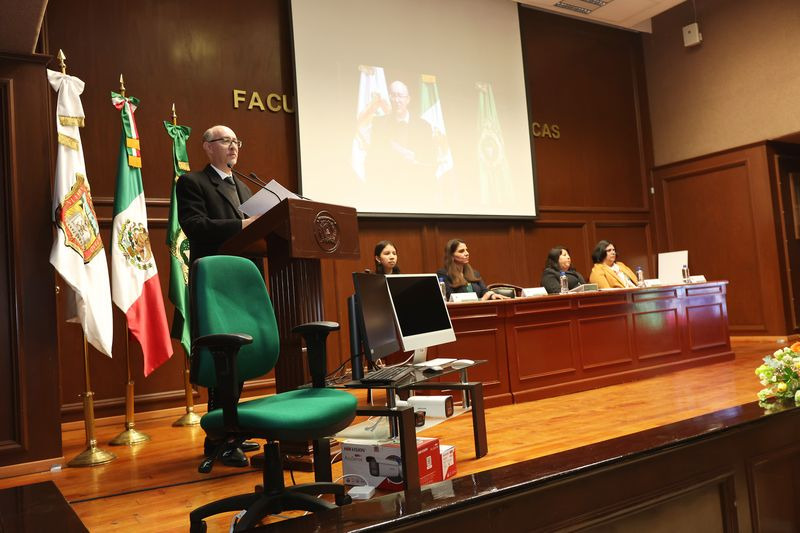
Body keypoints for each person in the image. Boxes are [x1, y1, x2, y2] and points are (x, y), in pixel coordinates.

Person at [176, 124, 258, 468]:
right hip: (213, 280)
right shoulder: (192, 182)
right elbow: (194, 226)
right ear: (207, 147)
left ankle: (233, 430)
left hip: (242, 279)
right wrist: (241, 225)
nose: (233, 145)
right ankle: (218, 440)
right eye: (226, 140)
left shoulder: (242, 184)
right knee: (220, 357)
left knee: (238, 358)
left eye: (236, 140)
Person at [366, 80, 436, 181]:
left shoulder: (424, 127)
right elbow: (373, 157)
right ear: (389, 98)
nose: (397, 100)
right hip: (387, 184)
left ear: (408, 99)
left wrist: (414, 157)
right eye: (393, 96)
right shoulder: (379, 124)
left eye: (400, 96)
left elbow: (431, 158)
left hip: (415, 185)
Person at [436, 239, 508, 301]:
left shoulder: (474, 273)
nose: (467, 253)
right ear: (451, 255)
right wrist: (482, 300)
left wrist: (492, 295)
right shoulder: (443, 274)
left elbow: (484, 291)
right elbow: (450, 297)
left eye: (466, 250)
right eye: (461, 251)